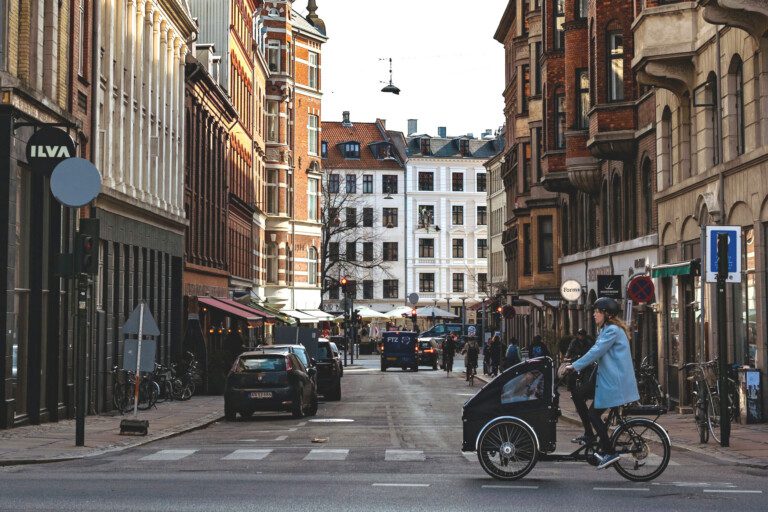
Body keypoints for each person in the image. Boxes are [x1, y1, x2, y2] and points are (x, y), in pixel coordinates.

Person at [565, 297, 640, 470]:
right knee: (577, 393)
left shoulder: (613, 330)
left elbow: (596, 351)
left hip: (614, 382)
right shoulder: (606, 329)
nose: (594, 314)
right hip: (605, 378)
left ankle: (609, 451)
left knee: (593, 415)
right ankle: (589, 434)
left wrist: (574, 366)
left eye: (597, 311)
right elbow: (596, 352)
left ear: (606, 314)